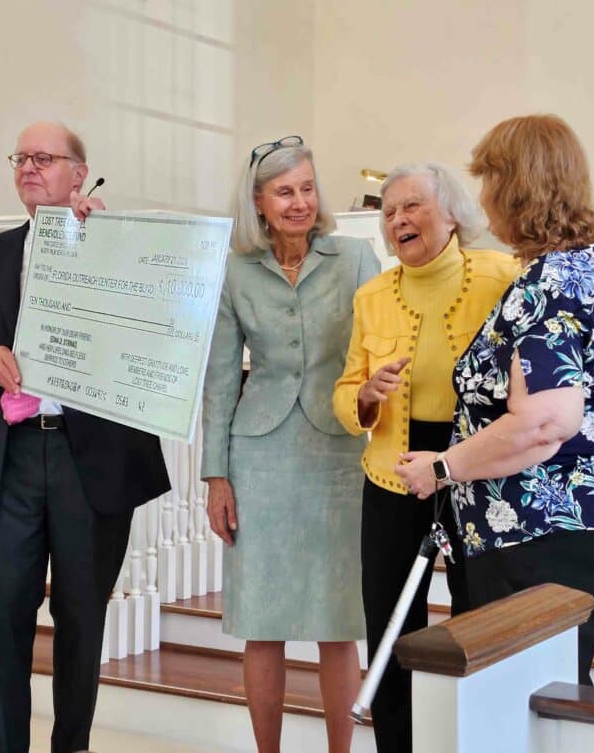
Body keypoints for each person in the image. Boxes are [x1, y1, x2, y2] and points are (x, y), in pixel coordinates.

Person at [0, 121, 170, 753]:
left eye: (45, 158)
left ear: (79, 174)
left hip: (89, 461)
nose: (29, 167)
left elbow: (160, 326)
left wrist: (109, 245)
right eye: (21, 158)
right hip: (7, 460)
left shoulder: (116, 248)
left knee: (81, 623)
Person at [396, 114, 594, 686]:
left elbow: (544, 423)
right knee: (555, 691)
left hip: (543, 525)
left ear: (515, 188)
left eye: (489, 181)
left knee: (517, 701)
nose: (483, 199)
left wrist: (442, 467)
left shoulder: (550, 284)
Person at [200, 135, 380, 753]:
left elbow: (378, 352)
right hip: (260, 456)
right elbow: (221, 378)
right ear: (259, 201)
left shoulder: (356, 258)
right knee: (262, 618)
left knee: (339, 619)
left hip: (340, 452)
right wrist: (215, 475)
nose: (299, 202)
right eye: (284, 191)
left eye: (307, 188)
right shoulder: (233, 271)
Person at [333, 162, 519, 753]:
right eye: (389, 213)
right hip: (393, 479)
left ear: (451, 213)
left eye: (412, 206)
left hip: (478, 477)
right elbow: (345, 390)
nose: (398, 220)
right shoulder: (371, 297)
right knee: (390, 631)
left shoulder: (502, 275)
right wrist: (364, 397)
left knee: (479, 621)